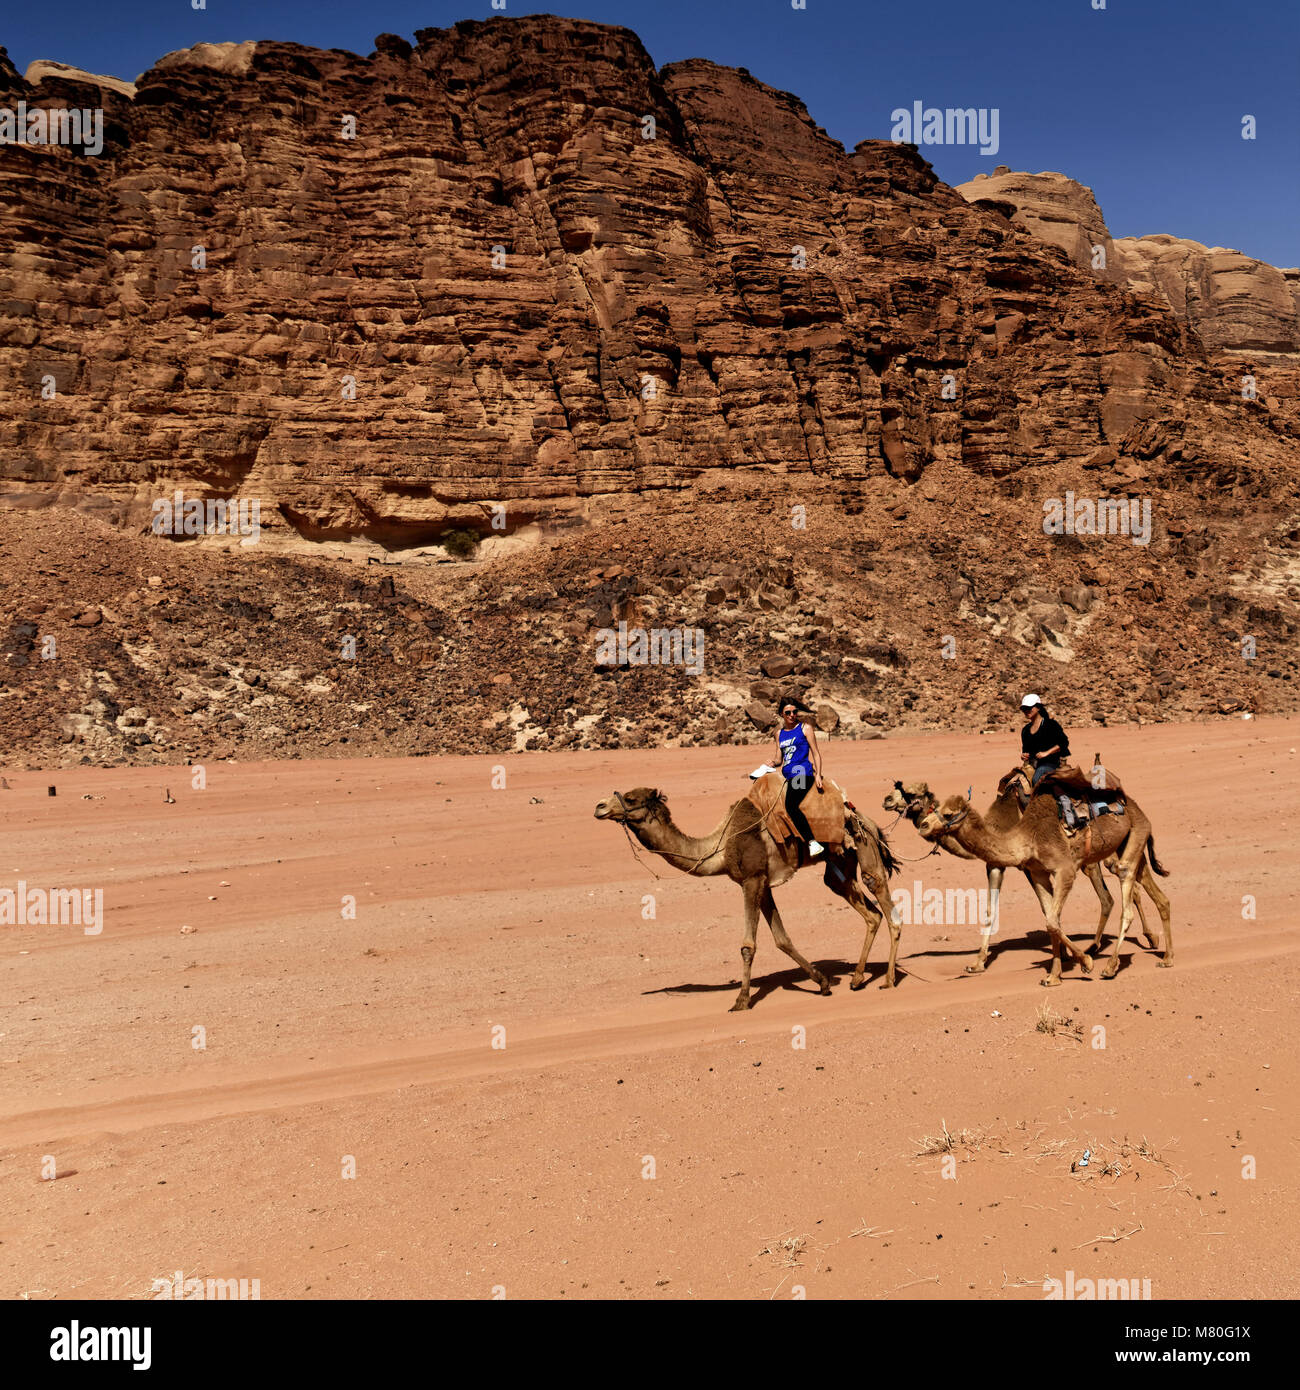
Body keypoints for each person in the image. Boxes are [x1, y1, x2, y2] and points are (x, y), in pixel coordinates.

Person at [774, 696, 825, 856]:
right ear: (781, 714)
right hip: (787, 775)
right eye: (788, 712)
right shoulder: (779, 734)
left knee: (790, 805)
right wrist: (770, 763)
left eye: (794, 711)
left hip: (801, 772)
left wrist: (818, 774)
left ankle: (812, 842)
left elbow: (815, 753)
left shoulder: (805, 728)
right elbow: (779, 759)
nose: (792, 715)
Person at [1019, 693, 1077, 828]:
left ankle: (1062, 805)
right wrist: (1024, 755)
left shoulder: (1051, 725)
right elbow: (1026, 750)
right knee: (1014, 783)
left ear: (1038, 707)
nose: (1026, 711)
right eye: (1024, 709)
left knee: (1038, 777)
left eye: (1029, 708)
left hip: (1051, 764)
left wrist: (1047, 753)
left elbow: (1063, 743)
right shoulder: (1025, 730)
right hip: (1032, 765)